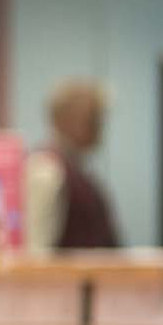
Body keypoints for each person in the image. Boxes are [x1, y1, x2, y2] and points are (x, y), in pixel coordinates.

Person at [25, 79, 122, 251]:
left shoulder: (75, 169)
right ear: (67, 119)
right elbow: (36, 252)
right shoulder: (47, 170)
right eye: (92, 118)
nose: (98, 127)